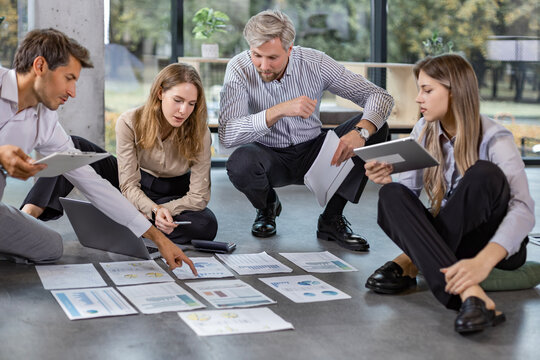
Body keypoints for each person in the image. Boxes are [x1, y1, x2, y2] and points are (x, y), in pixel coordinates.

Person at [0, 28, 196, 274]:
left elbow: (92, 183)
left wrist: (158, 239)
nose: (73, 92)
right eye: (68, 78)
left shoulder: (45, 121)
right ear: (40, 66)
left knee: (51, 247)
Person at [363, 54, 534, 333]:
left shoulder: (495, 137)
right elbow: (407, 199)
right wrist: (386, 180)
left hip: (493, 243)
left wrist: (483, 261)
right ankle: (470, 295)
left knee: (484, 174)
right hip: (454, 236)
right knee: (392, 194)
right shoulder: (423, 130)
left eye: (427, 90)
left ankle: (409, 262)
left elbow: (523, 209)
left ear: (455, 92)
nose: (419, 98)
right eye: (419, 89)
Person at [219, 9, 394, 251]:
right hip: (269, 156)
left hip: (316, 152)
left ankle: (331, 219)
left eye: (272, 58)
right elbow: (227, 134)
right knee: (240, 162)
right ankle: (267, 207)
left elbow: (379, 95)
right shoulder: (239, 68)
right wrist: (277, 110)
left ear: (290, 49)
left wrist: (361, 131)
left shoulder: (315, 62)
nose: (263, 65)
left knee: (378, 128)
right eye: (257, 55)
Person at [21, 63, 218, 245]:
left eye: (191, 104)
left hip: (173, 195)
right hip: (133, 185)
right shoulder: (130, 121)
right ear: (160, 93)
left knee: (205, 225)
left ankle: (126, 220)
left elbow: (198, 196)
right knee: (74, 146)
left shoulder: (200, 133)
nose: (184, 110)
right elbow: (128, 185)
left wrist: (162, 211)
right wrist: (153, 210)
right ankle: (27, 217)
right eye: (178, 100)